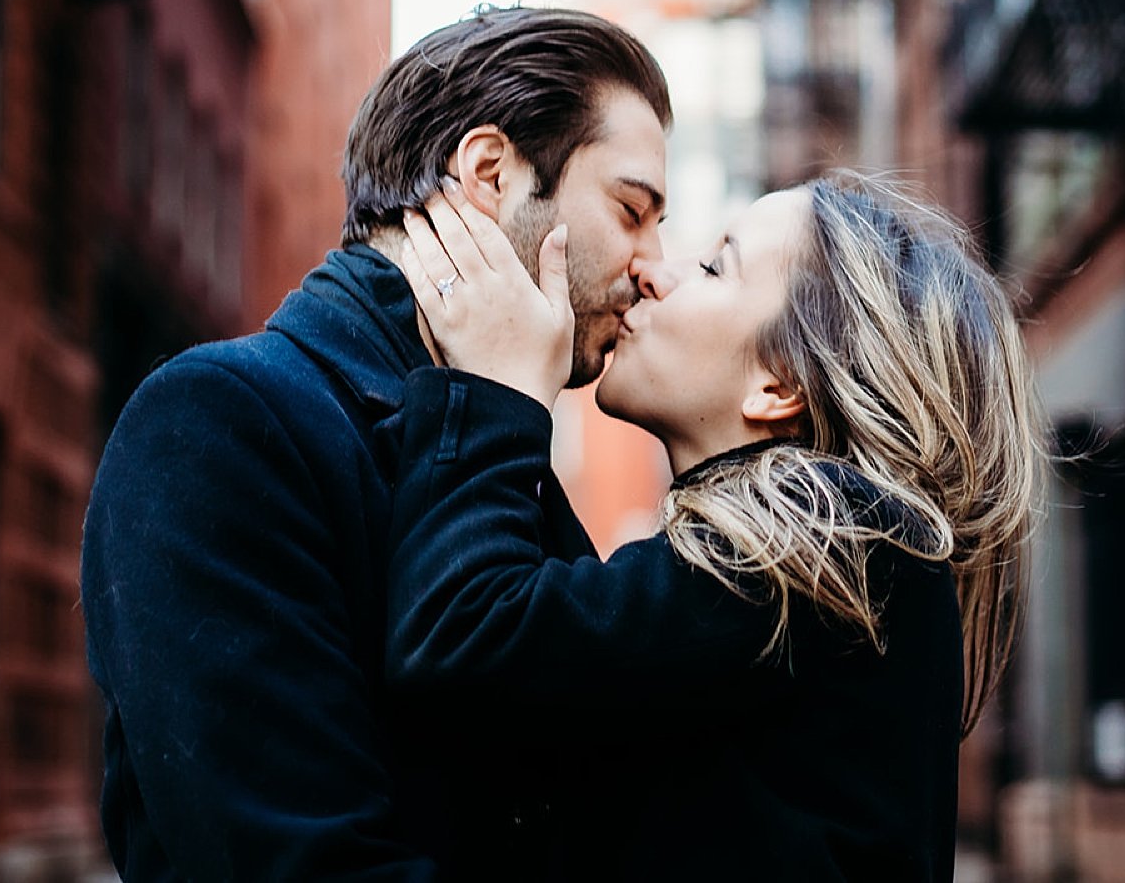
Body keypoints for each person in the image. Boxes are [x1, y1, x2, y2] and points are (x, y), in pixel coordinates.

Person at [80, 6, 674, 880]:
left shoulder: (498, 453)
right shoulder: (217, 424)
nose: (656, 262)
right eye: (633, 210)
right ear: (490, 172)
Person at [383, 171, 1047, 882]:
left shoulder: (834, 536)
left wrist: (493, 390)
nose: (652, 274)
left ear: (780, 384)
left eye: (711, 266)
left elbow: (464, 634)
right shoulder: (812, 565)